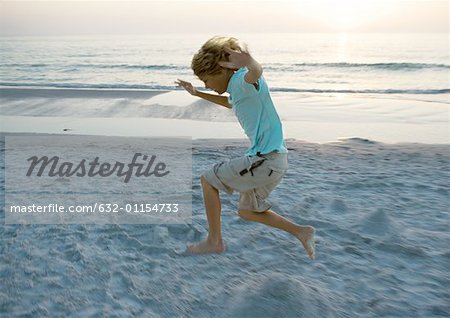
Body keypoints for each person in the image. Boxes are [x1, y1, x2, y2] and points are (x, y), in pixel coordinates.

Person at [175, 36, 315, 259]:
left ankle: (214, 241)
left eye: (206, 80)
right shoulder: (238, 90)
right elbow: (231, 102)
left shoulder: (242, 80)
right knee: (247, 211)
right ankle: (302, 232)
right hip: (273, 161)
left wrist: (249, 61)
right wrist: (196, 93)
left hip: (265, 160)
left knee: (208, 180)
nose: (206, 85)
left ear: (221, 71)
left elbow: (255, 73)